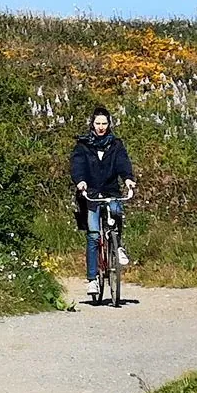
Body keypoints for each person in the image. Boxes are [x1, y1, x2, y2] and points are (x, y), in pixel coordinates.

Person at [70, 106, 136, 298]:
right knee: (93, 236)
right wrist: (80, 181)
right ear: (92, 124)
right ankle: (92, 279)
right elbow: (77, 166)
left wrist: (128, 179)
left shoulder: (116, 144)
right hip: (91, 192)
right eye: (97, 123)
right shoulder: (83, 145)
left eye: (104, 123)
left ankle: (117, 246)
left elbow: (123, 163)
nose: (101, 127)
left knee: (116, 212)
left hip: (110, 191)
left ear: (109, 124)